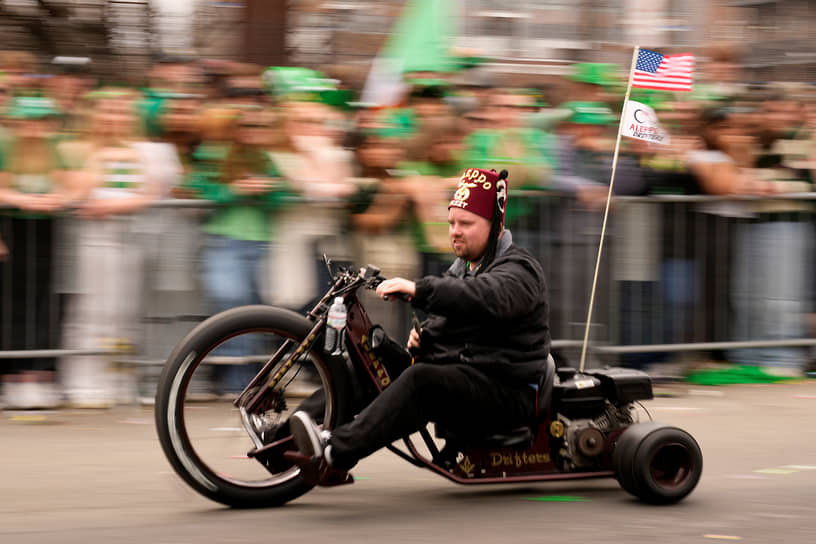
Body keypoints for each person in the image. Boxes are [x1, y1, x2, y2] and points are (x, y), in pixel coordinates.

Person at [288, 167, 551, 486]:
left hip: (507, 392)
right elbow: (456, 319)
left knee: (422, 380)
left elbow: (484, 298)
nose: (455, 231)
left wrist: (419, 289)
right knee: (374, 365)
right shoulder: (464, 269)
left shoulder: (520, 269)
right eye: (452, 222)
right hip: (468, 377)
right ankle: (283, 439)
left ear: (496, 225)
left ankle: (333, 452)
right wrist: (425, 339)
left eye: (466, 224)